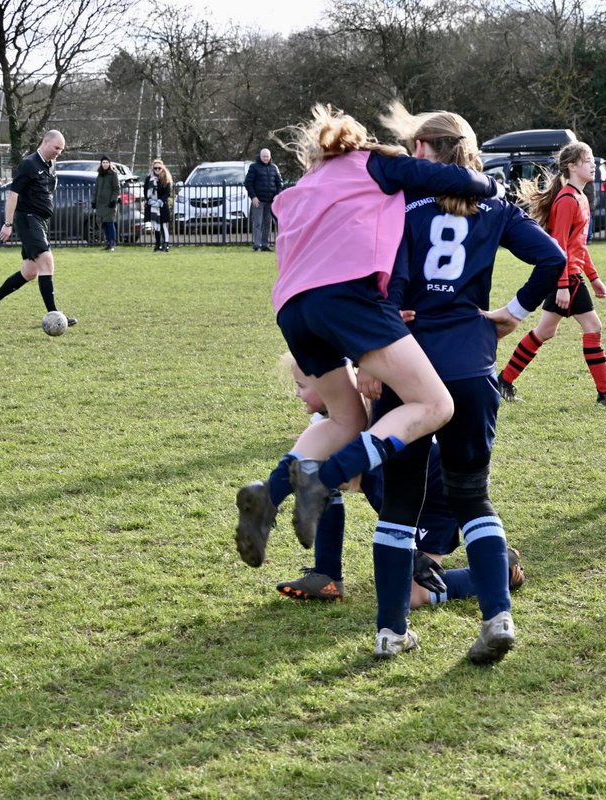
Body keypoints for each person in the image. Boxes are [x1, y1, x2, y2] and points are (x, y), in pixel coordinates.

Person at [232, 104, 501, 661]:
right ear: (359, 143)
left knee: (342, 418)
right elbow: (465, 181)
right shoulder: (377, 165)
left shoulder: (301, 187)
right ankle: (324, 478)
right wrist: (470, 174)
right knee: (435, 403)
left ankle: (272, 492)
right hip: (350, 298)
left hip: (291, 308)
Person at [363, 106, 566, 663]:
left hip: (414, 368)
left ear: (427, 150)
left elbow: (392, 283)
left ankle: (390, 631)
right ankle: (497, 617)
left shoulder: (403, 204)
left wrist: (386, 331)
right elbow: (553, 258)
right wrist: (513, 312)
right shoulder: (495, 204)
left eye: (413, 147)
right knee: (472, 498)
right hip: (474, 368)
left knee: (400, 505)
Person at [272, 356, 527, 609]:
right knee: (318, 476)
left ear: (332, 385)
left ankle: (499, 572)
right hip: (403, 497)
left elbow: (394, 492)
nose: (297, 393)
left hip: (434, 498)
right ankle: (327, 577)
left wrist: (410, 551)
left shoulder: (375, 423)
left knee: (413, 596)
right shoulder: (327, 423)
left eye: (302, 385)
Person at [498, 141, 606, 406]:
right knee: (593, 327)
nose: (593, 165)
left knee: (544, 332)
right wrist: (562, 284)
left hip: (569, 276)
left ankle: (503, 380)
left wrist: (594, 278)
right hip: (566, 277)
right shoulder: (566, 200)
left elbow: (579, 246)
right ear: (572, 166)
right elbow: (558, 246)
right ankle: (605, 393)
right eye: (587, 161)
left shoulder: (581, 197)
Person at [0, 130, 76, 328]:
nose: (58, 152)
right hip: (28, 219)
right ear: (45, 142)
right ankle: (54, 316)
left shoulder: (50, 165)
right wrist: (8, 224)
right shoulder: (29, 164)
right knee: (47, 261)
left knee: (29, 271)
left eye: (61, 149)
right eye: (56, 148)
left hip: (40, 221)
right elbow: (13, 194)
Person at [245, 148, 284, 252]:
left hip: (270, 200)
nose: (266, 158)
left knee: (267, 223)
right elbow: (248, 183)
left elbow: (279, 184)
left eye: (267, 156)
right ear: (260, 156)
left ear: (270, 156)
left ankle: (265, 245)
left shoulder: (274, 168)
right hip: (258, 200)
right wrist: (253, 196)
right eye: (264, 156)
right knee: (257, 223)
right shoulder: (254, 167)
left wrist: (277, 194)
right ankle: (257, 245)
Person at [144, 159, 173, 253]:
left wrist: (160, 201)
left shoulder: (166, 178)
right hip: (152, 206)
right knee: (155, 226)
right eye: (155, 168)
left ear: (162, 168)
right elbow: (145, 191)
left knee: (163, 225)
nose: (157, 169)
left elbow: (167, 192)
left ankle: (166, 243)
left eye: (159, 168)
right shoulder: (149, 179)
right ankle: (157, 244)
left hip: (162, 205)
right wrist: (150, 201)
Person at [93, 156, 121, 252]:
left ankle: (112, 243)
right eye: (103, 162)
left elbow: (116, 189)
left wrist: (113, 200)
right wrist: (94, 201)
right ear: (101, 164)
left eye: (106, 162)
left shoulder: (113, 174)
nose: (105, 164)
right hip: (100, 204)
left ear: (109, 163)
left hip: (109, 204)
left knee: (109, 223)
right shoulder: (99, 175)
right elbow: (96, 189)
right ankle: (108, 242)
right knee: (103, 223)